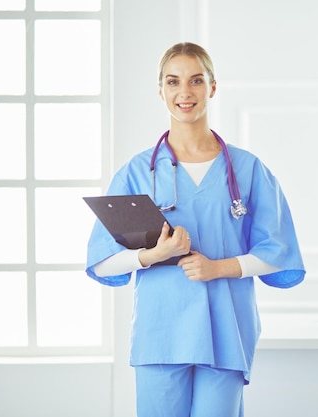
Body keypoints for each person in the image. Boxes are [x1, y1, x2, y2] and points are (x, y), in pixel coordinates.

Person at [85, 42, 305, 417]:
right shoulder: (137, 172)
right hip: (161, 336)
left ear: (212, 88)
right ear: (161, 91)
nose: (184, 92)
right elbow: (102, 263)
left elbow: (279, 254)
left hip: (226, 332)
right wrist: (152, 255)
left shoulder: (248, 170)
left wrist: (218, 268)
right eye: (173, 82)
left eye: (196, 80)